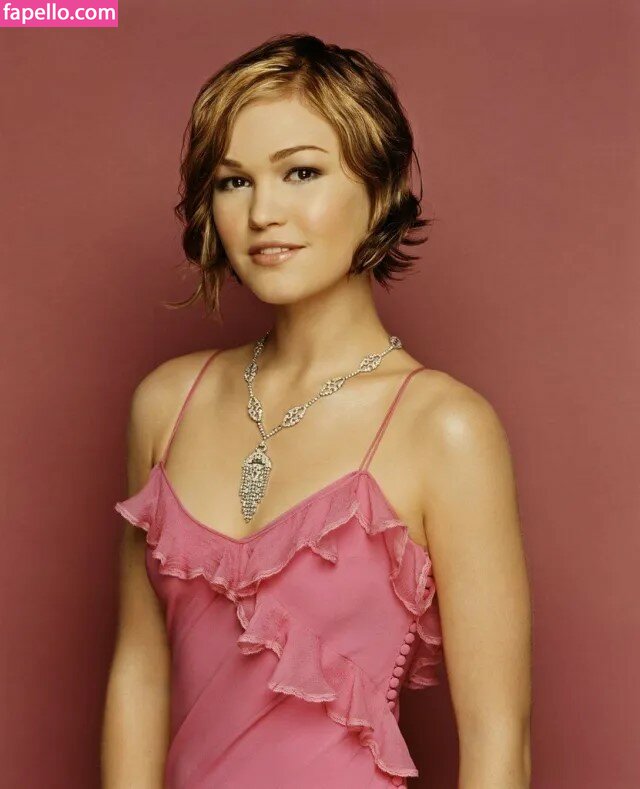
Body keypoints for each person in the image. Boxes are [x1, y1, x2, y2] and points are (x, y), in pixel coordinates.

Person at [101, 33, 532, 789]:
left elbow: (499, 738)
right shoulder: (167, 403)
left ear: (381, 188)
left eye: (301, 172)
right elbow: (140, 673)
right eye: (234, 181)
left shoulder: (445, 427)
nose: (264, 212)